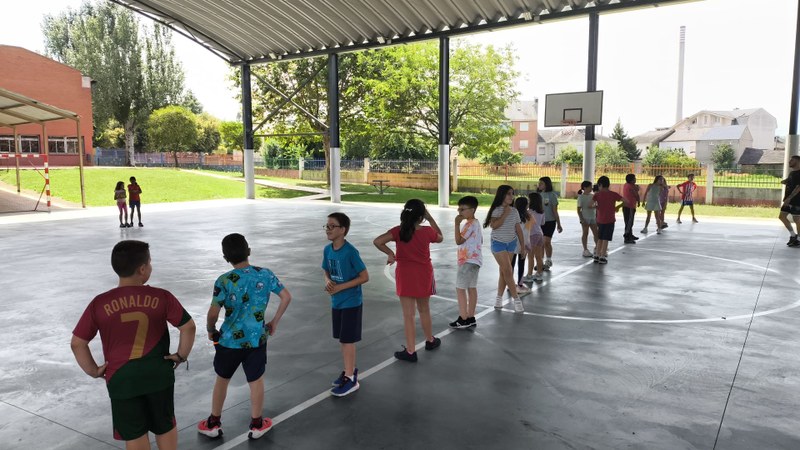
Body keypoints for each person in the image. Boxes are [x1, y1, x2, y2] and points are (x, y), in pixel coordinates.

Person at [71, 240, 196, 450]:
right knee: (164, 425)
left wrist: (94, 370)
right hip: (157, 374)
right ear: (142, 269)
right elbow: (188, 327)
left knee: (135, 433)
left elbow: (77, 343)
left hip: (121, 378)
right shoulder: (161, 296)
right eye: (150, 262)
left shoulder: (99, 303)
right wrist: (181, 355)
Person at [198, 233, 292, 440]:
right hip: (257, 339)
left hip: (229, 341)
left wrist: (210, 329)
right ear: (248, 251)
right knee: (256, 380)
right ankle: (257, 424)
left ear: (225, 257)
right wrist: (273, 322)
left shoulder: (223, 280)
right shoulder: (265, 275)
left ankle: (213, 422)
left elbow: (213, 313)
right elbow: (286, 297)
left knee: (222, 379)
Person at [373, 199, 443, 362]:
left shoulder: (398, 231)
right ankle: (430, 340)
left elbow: (377, 241)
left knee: (408, 315)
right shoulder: (427, 232)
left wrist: (390, 253)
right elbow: (440, 237)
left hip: (405, 275)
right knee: (424, 309)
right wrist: (431, 218)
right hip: (423, 274)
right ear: (421, 216)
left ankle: (411, 351)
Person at [322, 213, 369, 396]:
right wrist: (327, 281)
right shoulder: (327, 250)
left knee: (347, 341)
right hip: (337, 302)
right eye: (326, 226)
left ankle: (351, 378)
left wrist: (341, 286)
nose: (328, 229)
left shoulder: (350, 252)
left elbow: (364, 276)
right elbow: (326, 270)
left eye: (332, 226)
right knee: (343, 340)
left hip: (351, 302)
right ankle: (349, 370)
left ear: (343, 230)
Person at [484, 185, 527, 313]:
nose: (511, 196)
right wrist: (505, 213)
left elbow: (518, 229)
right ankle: (516, 299)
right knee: (508, 270)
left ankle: (498, 298)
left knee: (504, 271)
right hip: (498, 244)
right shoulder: (496, 210)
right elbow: (494, 226)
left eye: (512, 194)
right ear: (501, 195)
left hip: (511, 244)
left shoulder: (514, 211)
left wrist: (523, 247)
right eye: (508, 193)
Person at [450, 196, 482, 329]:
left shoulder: (469, 224)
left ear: (472, 210)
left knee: (460, 288)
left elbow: (458, 240)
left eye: (463, 209)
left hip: (467, 260)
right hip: (475, 260)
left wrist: (456, 224)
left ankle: (463, 318)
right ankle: (470, 316)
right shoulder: (476, 223)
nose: (460, 211)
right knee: (471, 287)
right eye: (459, 208)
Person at [592, 176, 631, 264]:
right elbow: (626, 201)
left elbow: (591, 204)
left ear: (600, 185)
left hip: (600, 220)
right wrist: (618, 206)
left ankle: (597, 256)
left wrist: (597, 206)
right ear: (608, 185)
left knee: (600, 239)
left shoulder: (597, 195)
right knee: (606, 239)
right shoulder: (613, 194)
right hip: (610, 220)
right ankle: (602, 256)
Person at [537, 177, 562, 270]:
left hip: (550, 222)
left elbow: (555, 211)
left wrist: (559, 224)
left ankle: (548, 259)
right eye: (539, 183)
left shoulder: (552, 196)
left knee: (546, 242)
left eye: (541, 183)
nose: (539, 185)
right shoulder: (538, 195)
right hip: (540, 222)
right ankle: (540, 262)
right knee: (540, 243)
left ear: (547, 184)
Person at [510, 196, 532, 295]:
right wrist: (527, 244)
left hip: (513, 244)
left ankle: (510, 284)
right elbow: (527, 232)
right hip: (523, 244)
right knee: (521, 264)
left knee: (511, 264)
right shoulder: (528, 217)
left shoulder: (512, 215)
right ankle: (520, 284)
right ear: (526, 205)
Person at [525, 192, 546, 282]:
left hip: (532, 235)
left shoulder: (528, 212)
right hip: (540, 234)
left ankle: (529, 275)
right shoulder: (541, 212)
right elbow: (543, 223)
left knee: (530, 256)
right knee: (538, 256)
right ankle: (539, 274)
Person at [780, 155, 800, 247]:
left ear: (798, 161)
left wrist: (789, 198)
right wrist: (786, 181)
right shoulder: (792, 173)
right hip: (788, 200)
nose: (789, 161)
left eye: (792, 160)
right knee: (782, 216)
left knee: (797, 220)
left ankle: (799, 239)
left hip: (796, 201)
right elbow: (791, 181)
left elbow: (798, 188)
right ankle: (793, 235)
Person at [576, 181, 599, 257]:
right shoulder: (581, 197)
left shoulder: (593, 195)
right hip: (585, 217)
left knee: (596, 233)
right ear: (585, 188)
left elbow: (596, 205)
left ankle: (597, 248)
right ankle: (585, 250)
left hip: (593, 217)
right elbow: (579, 210)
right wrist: (581, 219)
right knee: (585, 233)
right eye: (590, 186)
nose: (591, 188)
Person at [621, 174, 640, 244]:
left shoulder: (627, 185)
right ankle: (627, 237)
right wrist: (638, 201)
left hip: (629, 206)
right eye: (634, 178)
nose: (635, 179)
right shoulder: (630, 186)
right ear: (631, 180)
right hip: (629, 206)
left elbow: (637, 189)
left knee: (630, 222)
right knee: (629, 223)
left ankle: (630, 235)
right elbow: (636, 194)